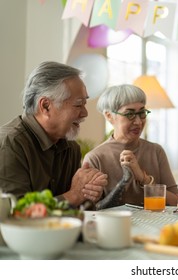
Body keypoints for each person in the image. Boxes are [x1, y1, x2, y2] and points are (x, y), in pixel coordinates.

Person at [0, 61, 107, 207]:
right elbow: (15, 213)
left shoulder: (71, 148)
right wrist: (74, 195)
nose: (85, 113)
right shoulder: (10, 143)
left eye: (85, 104)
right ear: (45, 106)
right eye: (78, 104)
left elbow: (78, 208)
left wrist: (90, 194)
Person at [83, 84, 178, 208]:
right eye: (130, 114)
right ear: (109, 116)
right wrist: (124, 181)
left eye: (142, 113)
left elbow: (177, 202)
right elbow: (91, 211)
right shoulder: (95, 158)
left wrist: (143, 178)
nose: (138, 122)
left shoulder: (156, 151)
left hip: (157, 225)